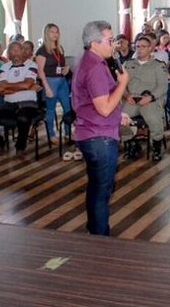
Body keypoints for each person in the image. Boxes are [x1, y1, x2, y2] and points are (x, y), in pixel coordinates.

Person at [71, 20, 131, 235]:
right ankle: (100, 237)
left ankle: (95, 230)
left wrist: (118, 113)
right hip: (99, 137)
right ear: (94, 43)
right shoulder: (95, 67)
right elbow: (104, 108)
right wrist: (123, 83)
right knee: (102, 190)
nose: (113, 44)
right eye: (109, 40)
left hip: (93, 130)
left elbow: (96, 101)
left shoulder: (90, 60)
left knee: (98, 186)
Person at [0, 41, 41, 157]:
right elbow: (1, 89)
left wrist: (10, 86)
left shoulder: (31, 65)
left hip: (28, 103)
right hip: (8, 103)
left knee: (23, 117)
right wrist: (23, 86)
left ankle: (20, 147)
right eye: (11, 51)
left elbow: (27, 84)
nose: (15, 53)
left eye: (17, 50)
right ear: (8, 53)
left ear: (23, 51)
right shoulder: (4, 67)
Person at [121, 36, 168, 161]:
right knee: (120, 119)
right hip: (131, 99)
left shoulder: (158, 65)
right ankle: (131, 144)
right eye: (137, 47)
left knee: (153, 119)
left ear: (151, 48)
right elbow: (121, 84)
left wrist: (150, 97)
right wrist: (126, 95)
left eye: (143, 47)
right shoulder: (128, 64)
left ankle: (156, 146)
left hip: (149, 100)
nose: (140, 49)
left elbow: (163, 86)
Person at [35, 23, 71, 146]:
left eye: (56, 32)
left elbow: (61, 65)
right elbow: (40, 71)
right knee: (50, 110)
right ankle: (51, 134)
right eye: (52, 32)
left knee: (67, 108)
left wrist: (66, 68)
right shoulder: (42, 51)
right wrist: (47, 87)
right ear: (46, 33)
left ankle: (68, 133)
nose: (55, 34)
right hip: (50, 81)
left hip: (62, 81)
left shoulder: (59, 48)